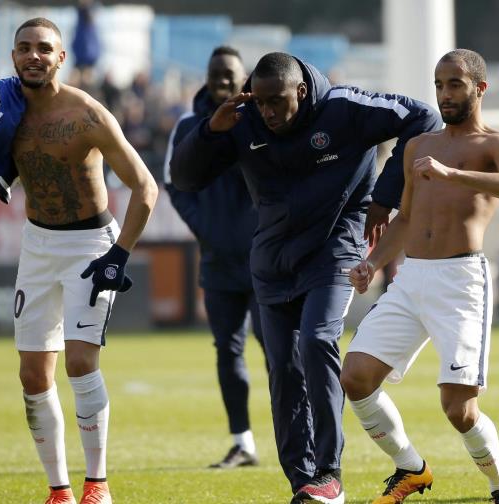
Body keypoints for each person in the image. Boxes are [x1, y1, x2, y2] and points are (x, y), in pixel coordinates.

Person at [170, 52, 440, 503]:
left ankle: (329, 472)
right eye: (261, 102)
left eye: (277, 101)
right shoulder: (242, 119)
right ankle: (304, 483)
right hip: (273, 258)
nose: (268, 112)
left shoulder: (344, 108)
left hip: (335, 247)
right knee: (283, 368)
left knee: (317, 341)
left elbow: (423, 117)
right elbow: (183, 177)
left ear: (300, 90)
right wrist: (209, 131)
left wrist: (385, 197)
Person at [0, 17, 158, 504]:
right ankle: (59, 491)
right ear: (13, 57)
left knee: (79, 363)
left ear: (61, 57)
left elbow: (145, 186)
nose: (34, 56)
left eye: (44, 48)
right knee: (33, 375)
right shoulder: (0, 105)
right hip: (38, 244)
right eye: (24, 48)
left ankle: (98, 485)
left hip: (90, 245)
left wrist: (120, 254)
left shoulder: (87, 113)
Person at [341, 49, 499, 504]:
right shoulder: (418, 147)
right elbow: (406, 218)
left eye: (455, 84)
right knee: (355, 376)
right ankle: (411, 468)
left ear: (479, 89)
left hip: (462, 282)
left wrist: (454, 174)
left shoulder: (495, 146)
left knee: (459, 410)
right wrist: (374, 261)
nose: (444, 94)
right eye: (439, 85)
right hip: (411, 279)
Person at [162, 46, 266, 469]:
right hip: (218, 261)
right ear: (206, 77)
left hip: (265, 259)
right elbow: (173, 184)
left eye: (231, 74)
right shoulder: (189, 125)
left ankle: (300, 440)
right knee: (228, 350)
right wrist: (206, 230)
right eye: (216, 73)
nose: (223, 80)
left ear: (244, 79)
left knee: (280, 350)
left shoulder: (263, 119)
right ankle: (243, 442)